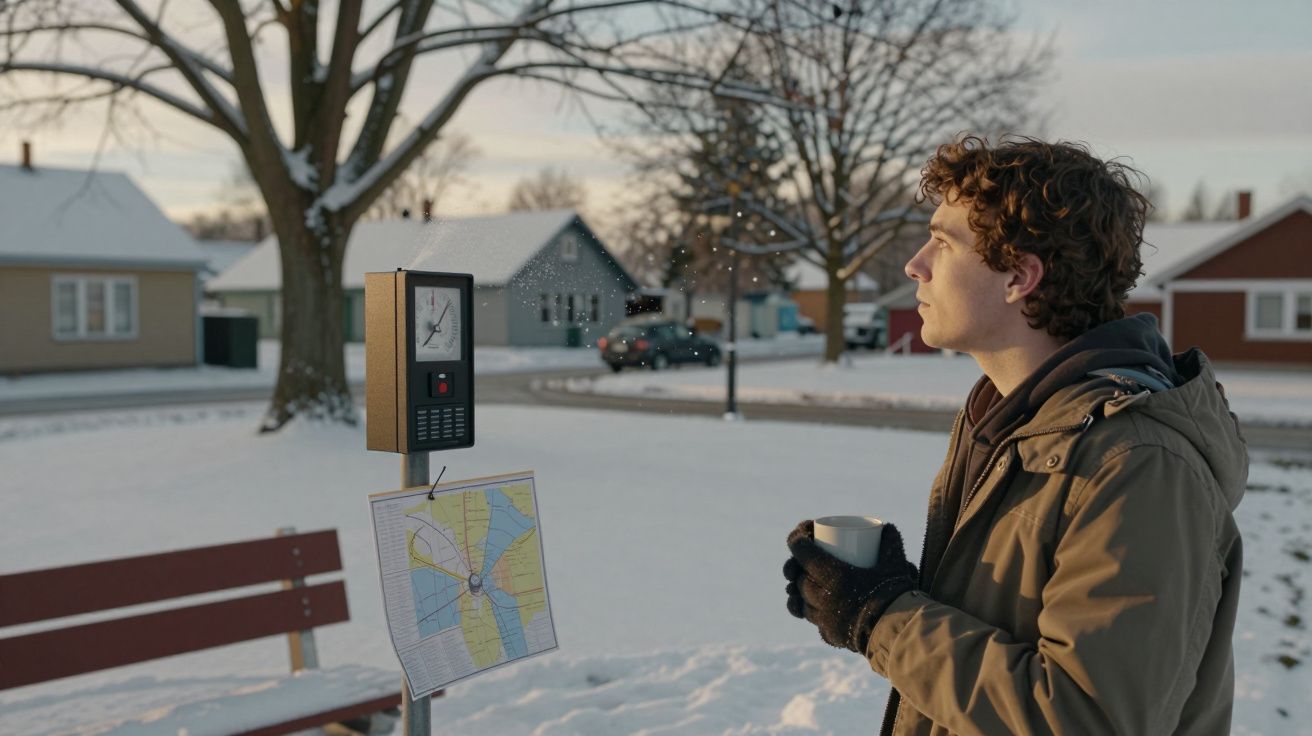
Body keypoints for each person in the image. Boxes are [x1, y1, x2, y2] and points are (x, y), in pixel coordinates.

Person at [783, 135, 1247, 735]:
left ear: (1019, 277)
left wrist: (882, 617)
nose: (915, 265)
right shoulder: (1010, 423)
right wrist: (877, 590)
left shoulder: (1138, 464)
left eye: (943, 242)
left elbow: (1085, 719)